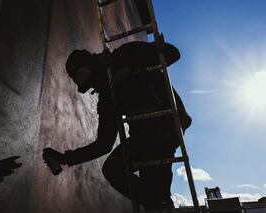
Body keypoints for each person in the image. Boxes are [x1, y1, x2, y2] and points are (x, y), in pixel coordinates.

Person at [42, 41, 192, 210]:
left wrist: (131, 68)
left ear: (92, 65)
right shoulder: (108, 95)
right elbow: (103, 144)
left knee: (136, 178)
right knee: (139, 183)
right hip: (144, 138)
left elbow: (172, 52)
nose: (92, 84)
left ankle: (158, 203)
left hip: (166, 125)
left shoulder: (125, 54)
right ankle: (160, 204)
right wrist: (64, 158)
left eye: (85, 76)